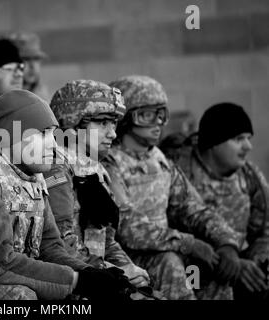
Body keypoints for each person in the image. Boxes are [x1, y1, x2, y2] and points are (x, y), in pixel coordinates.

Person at [0, 89, 136, 300]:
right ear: (12, 135)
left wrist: (89, 273)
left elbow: (50, 247)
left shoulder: (32, 173)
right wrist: (76, 280)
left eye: (54, 134)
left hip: (8, 276)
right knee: (21, 296)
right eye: (43, 134)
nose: (53, 145)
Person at [102, 75, 242, 300]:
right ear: (125, 118)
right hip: (129, 261)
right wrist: (188, 243)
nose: (158, 122)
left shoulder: (161, 161)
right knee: (170, 263)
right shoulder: (110, 164)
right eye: (147, 115)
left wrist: (226, 243)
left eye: (162, 115)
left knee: (218, 269)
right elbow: (127, 227)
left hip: (169, 251)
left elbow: (194, 208)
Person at [44, 79, 151, 289]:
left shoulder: (95, 170)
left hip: (98, 276)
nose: (113, 133)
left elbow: (104, 241)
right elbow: (60, 246)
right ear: (73, 124)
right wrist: (114, 273)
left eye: (113, 124)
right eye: (103, 123)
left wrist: (128, 269)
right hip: (71, 283)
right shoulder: (55, 168)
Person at [176, 103, 269, 300]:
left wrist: (256, 262)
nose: (248, 146)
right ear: (214, 143)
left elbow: (265, 231)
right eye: (239, 139)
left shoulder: (249, 175)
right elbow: (169, 234)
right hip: (193, 266)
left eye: (248, 139)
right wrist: (231, 265)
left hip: (240, 262)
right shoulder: (180, 172)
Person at [7, 32, 50, 101]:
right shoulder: (4, 96)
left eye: (36, 59)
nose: (32, 66)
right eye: (26, 59)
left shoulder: (42, 94)